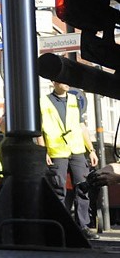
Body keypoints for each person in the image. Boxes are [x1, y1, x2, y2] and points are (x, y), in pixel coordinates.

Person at [37, 80, 100, 240]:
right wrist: (43, 151)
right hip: (56, 150)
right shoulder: (43, 101)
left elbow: (82, 126)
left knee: (83, 187)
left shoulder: (74, 100)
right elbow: (39, 130)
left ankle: (83, 226)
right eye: (61, 79)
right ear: (53, 82)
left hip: (77, 149)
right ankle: (57, 226)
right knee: (58, 190)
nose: (66, 82)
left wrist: (91, 150)